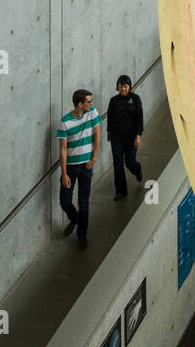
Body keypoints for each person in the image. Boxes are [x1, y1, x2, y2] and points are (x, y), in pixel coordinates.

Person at [57, 89, 101, 250]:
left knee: (84, 203)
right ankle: (75, 218)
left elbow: (97, 135)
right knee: (64, 201)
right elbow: (62, 149)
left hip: (86, 166)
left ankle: (82, 235)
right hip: (70, 168)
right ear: (80, 104)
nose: (92, 103)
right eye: (89, 101)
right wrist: (64, 173)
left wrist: (94, 157)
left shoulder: (92, 112)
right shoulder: (65, 122)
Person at [106, 74, 143, 200]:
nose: (123, 89)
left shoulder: (135, 99)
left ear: (129, 87)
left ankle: (137, 170)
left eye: (125, 86)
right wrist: (109, 131)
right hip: (116, 137)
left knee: (130, 162)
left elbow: (139, 118)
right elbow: (110, 117)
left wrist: (138, 135)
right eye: (121, 86)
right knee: (117, 163)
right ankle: (121, 191)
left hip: (131, 137)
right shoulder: (113, 101)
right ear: (117, 87)